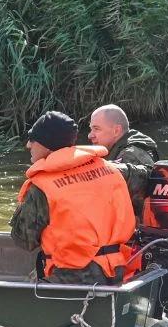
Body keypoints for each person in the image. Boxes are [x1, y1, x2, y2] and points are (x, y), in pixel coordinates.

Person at [9, 111, 136, 284]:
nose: (28, 145)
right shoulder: (110, 169)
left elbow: (24, 240)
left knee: (31, 282)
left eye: (33, 139)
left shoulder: (42, 187)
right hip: (115, 273)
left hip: (71, 277)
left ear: (47, 145)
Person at [87, 104, 158, 167]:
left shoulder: (130, 156)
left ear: (116, 131)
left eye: (96, 129)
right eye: (91, 129)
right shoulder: (115, 149)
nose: (90, 135)